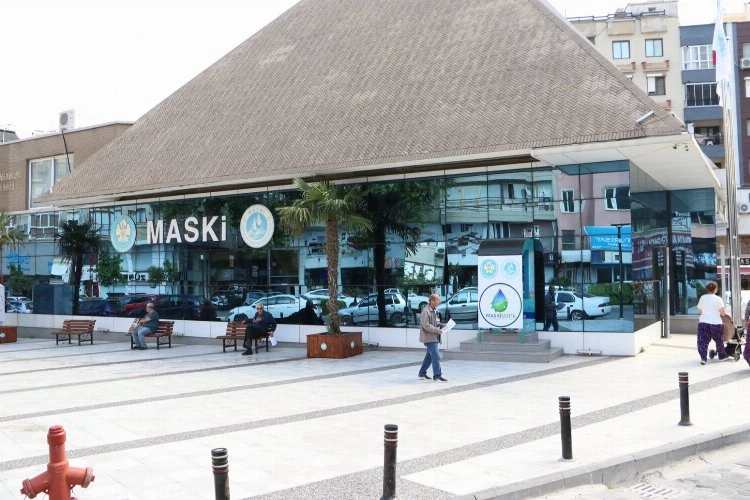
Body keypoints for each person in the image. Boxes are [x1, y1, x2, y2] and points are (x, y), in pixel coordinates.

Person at [418, 293, 447, 382]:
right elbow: (426, 325)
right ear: (431, 301)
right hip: (429, 338)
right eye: (437, 300)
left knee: (429, 357)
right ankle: (437, 375)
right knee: (436, 357)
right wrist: (437, 330)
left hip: (434, 337)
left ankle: (422, 373)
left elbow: (435, 323)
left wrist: (442, 325)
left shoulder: (434, 310)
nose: (439, 301)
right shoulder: (426, 311)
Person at [696, 282, 727, 365]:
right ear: (716, 289)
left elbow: (700, 310)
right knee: (719, 340)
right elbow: (723, 313)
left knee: (702, 341)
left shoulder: (702, 298)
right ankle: (721, 356)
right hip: (716, 323)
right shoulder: (718, 299)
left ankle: (703, 358)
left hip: (703, 322)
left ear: (707, 289)